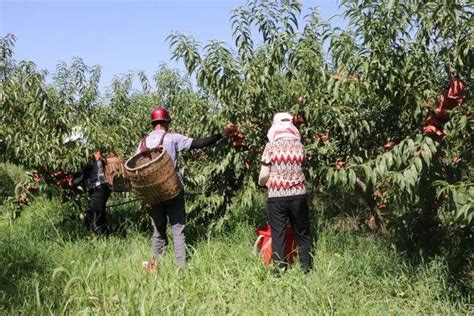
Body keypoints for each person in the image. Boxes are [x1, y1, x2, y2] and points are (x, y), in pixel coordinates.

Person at [138, 106, 236, 271]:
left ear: (153, 123)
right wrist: (222, 134)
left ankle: (154, 266)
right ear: (166, 122)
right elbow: (199, 144)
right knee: (178, 228)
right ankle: (181, 268)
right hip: (172, 190)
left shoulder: (143, 143)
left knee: (158, 229)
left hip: (154, 193)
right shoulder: (172, 138)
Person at [258, 112, 312, 273]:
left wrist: (262, 183)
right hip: (298, 195)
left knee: (278, 233)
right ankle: (307, 269)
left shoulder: (271, 147)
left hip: (277, 196)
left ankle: (280, 270)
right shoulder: (300, 146)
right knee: (301, 232)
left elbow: (264, 174)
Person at [73, 151, 111, 236]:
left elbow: (81, 177)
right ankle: (105, 235)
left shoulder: (91, 162)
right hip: (98, 189)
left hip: (98, 188)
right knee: (99, 214)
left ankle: (96, 236)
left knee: (94, 214)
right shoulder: (92, 160)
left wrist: (72, 182)